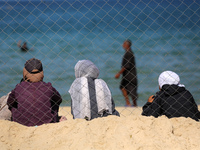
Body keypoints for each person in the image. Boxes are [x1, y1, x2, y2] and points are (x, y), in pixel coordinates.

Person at [7, 58, 66, 126]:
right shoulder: (48, 87)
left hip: (22, 124)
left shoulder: (19, 88)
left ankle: (21, 119)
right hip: (46, 123)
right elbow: (59, 99)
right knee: (54, 101)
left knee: (13, 103)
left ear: (25, 72)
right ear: (42, 72)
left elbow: (9, 102)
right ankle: (51, 119)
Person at [115, 39, 138, 107]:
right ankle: (132, 104)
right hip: (130, 73)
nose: (123, 45)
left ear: (127, 45)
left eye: (124, 44)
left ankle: (130, 103)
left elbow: (126, 65)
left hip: (129, 74)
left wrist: (119, 73)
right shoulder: (130, 52)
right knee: (125, 87)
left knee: (129, 88)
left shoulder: (128, 53)